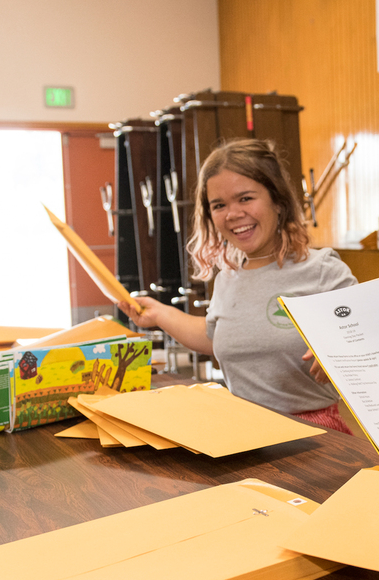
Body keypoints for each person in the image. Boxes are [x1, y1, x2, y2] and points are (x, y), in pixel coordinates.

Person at [119, 138, 357, 434]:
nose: (232, 214)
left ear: (277, 199)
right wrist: (160, 315)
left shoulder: (322, 270)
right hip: (244, 431)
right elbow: (216, 336)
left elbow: (368, 333)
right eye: (219, 205)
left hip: (314, 434)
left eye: (245, 198)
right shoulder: (227, 277)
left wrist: (338, 346)